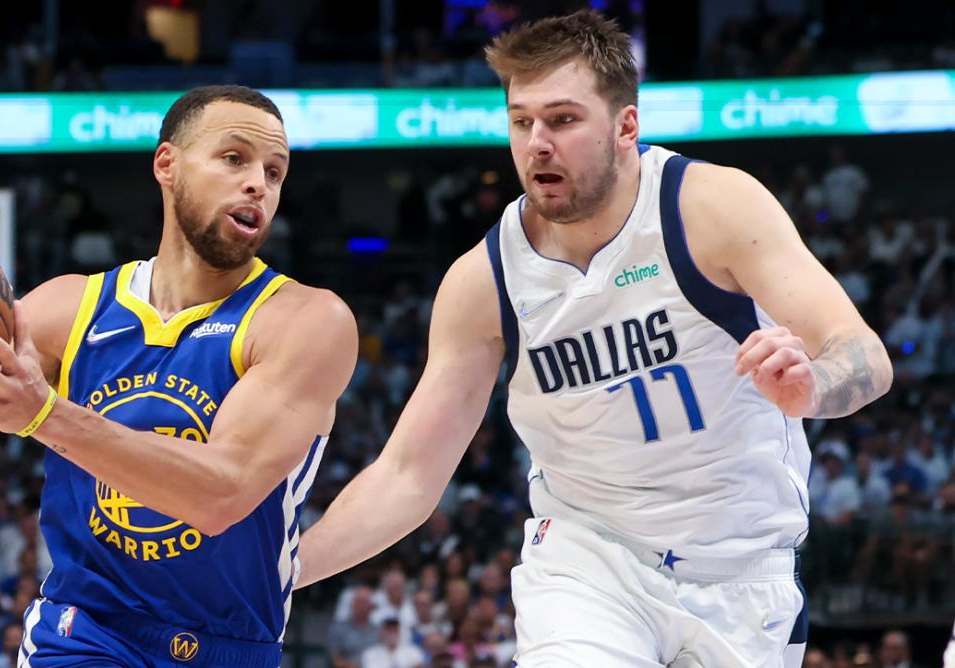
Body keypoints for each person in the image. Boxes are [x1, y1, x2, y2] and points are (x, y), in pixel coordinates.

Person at [296, 11, 891, 668]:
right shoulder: (484, 281)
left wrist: (815, 387)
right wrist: (274, 574)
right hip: (587, 563)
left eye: (563, 119)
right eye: (522, 122)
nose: (537, 143)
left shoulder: (710, 207)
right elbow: (407, 475)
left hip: (742, 566)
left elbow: (862, 355)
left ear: (626, 126)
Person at [0, 85, 357, 667]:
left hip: (233, 646)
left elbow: (220, 494)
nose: (259, 182)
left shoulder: (305, 320)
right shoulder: (69, 310)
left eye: (275, 171)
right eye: (234, 158)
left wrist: (46, 415)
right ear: (167, 164)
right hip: (86, 634)